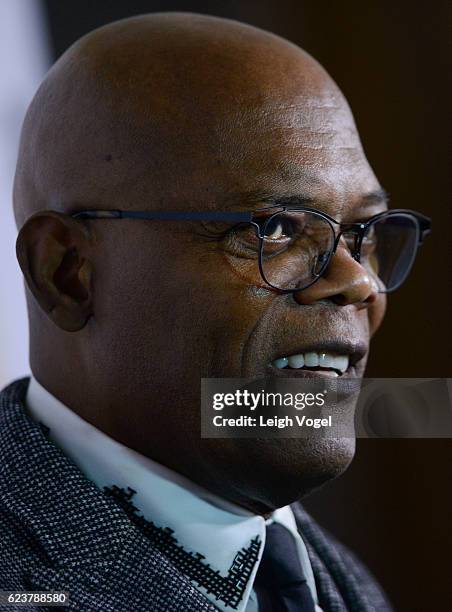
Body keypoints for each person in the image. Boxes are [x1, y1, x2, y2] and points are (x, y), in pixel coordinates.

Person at [0, 12, 430, 611]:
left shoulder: (340, 583)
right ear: (67, 274)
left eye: (364, 234)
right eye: (275, 228)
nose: (359, 282)